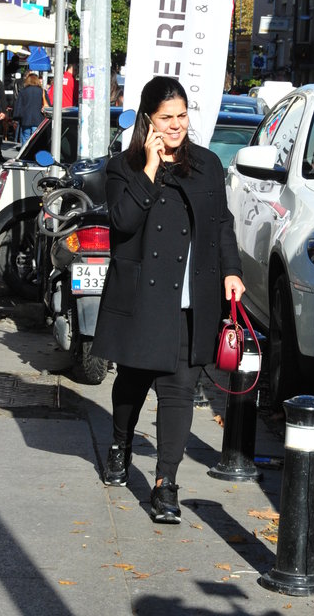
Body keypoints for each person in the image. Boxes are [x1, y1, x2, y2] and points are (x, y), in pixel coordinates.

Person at [92, 76, 245, 524]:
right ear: (148, 120)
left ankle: (166, 483)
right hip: (145, 297)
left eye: (182, 116)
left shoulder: (208, 165)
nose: (176, 125)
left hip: (192, 298)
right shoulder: (124, 167)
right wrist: (150, 167)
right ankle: (120, 444)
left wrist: (232, 271)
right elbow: (122, 220)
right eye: (166, 118)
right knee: (133, 383)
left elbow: (222, 224)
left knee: (179, 391)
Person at [12, 72, 46, 145]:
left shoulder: (23, 91)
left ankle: (25, 151)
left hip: (25, 119)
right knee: (36, 139)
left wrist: (15, 119)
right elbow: (47, 104)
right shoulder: (42, 91)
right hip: (38, 119)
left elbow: (18, 106)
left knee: (25, 139)